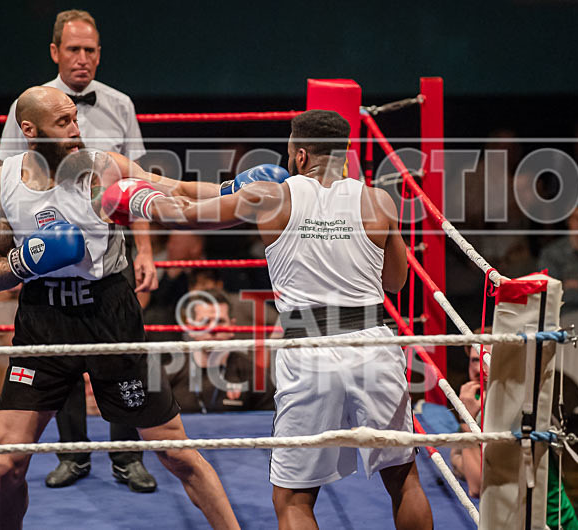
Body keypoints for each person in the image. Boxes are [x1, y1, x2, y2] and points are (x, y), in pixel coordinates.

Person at [106, 110, 433, 529]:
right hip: (373, 344)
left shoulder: (271, 196)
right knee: (403, 479)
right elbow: (396, 281)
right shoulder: (379, 201)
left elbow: (187, 212)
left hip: (309, 349)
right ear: (346, 153)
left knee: (294, 499)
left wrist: (132, 195)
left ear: (299, 155)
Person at [0, 86, 284, 529]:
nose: (75, 129)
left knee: (177, 453)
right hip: (42, 321)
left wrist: (234, 190)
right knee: (8, 464)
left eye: (75, 118)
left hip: (110, 315)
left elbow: (177, 191)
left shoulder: (104, 168)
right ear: (30, 130)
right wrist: (28, 261)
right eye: (63, 122)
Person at [0, 9, 160, 491]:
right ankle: (73, 454)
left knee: (122, 350)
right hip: (50, 245)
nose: (82, 58)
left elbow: (135, 185)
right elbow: (6, 181)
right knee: (58, 353)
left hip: (110, 251)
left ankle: (127, 456)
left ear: (100, 54)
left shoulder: (120, 104)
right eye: (73, 49)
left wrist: (146, 252)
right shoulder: (29, 105)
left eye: (90, 50)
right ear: (55, 52)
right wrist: (20, 259)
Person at [450, 337, 578, 529]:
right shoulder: (479, 400)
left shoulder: (516, 411)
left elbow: (476, 485)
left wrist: (466, 422)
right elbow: (457, 460)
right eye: (474, 360)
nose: (479, 368)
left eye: (488, 359)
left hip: (549, 525)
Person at [165, 289, 274, 413]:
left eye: (220, 321)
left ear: (232, 327)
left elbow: (269, 419)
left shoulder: (253, 374)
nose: (213, 329)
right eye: (205, 321)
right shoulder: (170, 373)